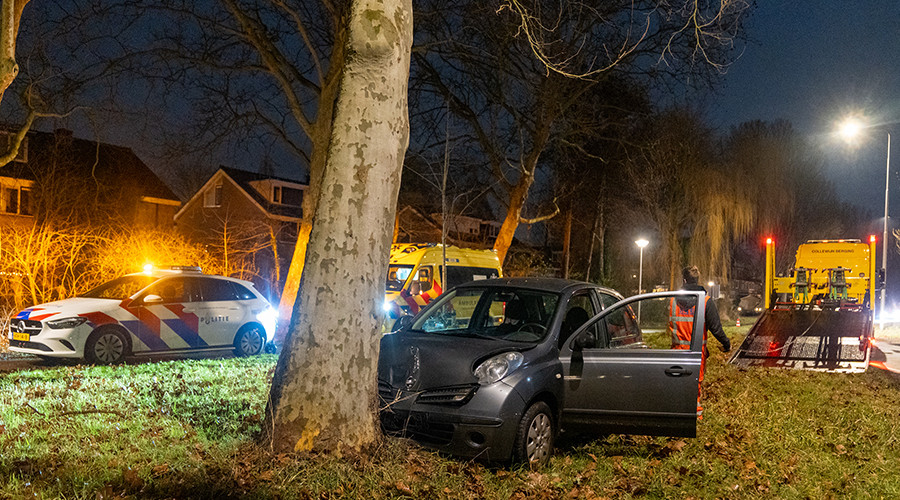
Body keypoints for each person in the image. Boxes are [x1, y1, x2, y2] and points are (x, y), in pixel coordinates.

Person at [668, 265, 731, 420]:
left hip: (676, 350)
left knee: (676, 381)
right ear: (697, 280)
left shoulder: (672, 301)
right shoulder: (706, 301)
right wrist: (726, 344)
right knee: (695, 382)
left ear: (683, 280)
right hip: (696, 350)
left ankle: (677, 411)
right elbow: (716, 328)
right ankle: (695, 415)